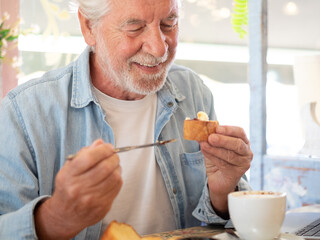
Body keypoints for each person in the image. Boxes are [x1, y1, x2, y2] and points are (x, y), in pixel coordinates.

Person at [0, 0, 253, 239]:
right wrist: (57, 216)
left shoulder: (193, 92)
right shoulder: (24, 113)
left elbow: (225, 226)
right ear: (89, 27)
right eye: (135, 28)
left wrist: (222, 194)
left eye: (169, 24)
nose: (159, 48)